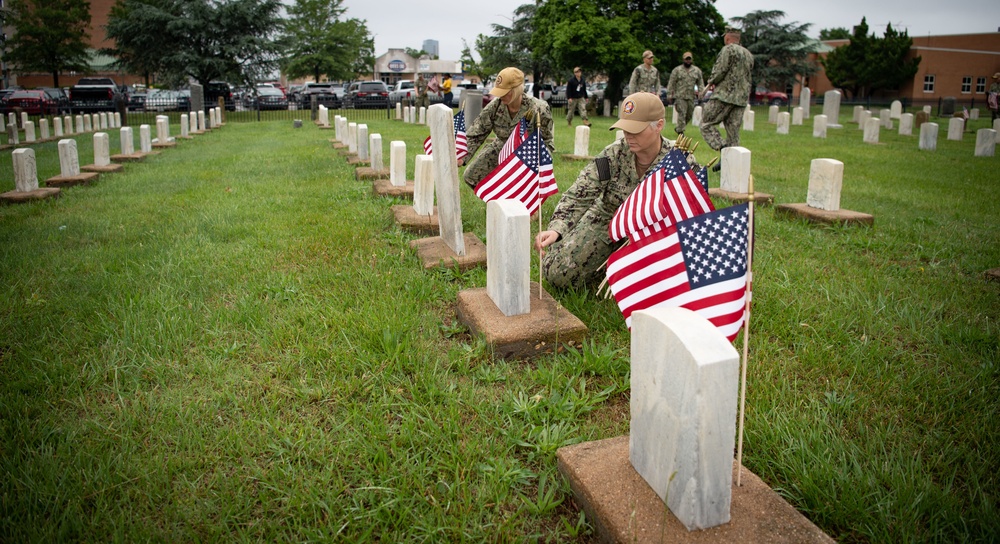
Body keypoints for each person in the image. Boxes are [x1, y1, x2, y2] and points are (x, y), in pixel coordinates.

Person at [535, 92, 699, 290]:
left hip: (654, 231)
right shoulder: (614, 154)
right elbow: (581, 193)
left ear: (659, 125)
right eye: (625, 129)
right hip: (608, 220)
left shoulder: (679, 160)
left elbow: (694, 212)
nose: (628, 136)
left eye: (636, 130)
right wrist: (557, 228)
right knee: (558, 275)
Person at [459, 67, 554, 189]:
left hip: (527, 153)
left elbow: (546, 141)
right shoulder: (494, 107)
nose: (500, 95)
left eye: (505, 91)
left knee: (521, 186)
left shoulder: (538, 108)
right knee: (471, 175)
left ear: (516, 89)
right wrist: (462, 156)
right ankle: (498, 202)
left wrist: (540, 166)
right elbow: (476, 134)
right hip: (501, 147)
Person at [700, 26, 753, 166]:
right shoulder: (748, 54)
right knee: (733, 131)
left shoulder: (728, 50)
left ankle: (724, 150)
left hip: (724, 94)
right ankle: (732, 165)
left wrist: (712, 81)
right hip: (741, 98)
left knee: (706, 124)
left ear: (728, 37)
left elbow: (721, 70)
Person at [666, 51, 705, 135]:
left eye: (689, 59)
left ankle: (678, 128)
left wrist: (701, 92)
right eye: (686, 59)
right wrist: (669, 94)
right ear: (683, 59)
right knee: (682, 113)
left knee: (689, 115)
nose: (688, 61)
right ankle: (681, 131)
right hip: (680, 96)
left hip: (691, 96)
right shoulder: (677, 70)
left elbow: (700, 83)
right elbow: (671, 82)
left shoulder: (696, 71)